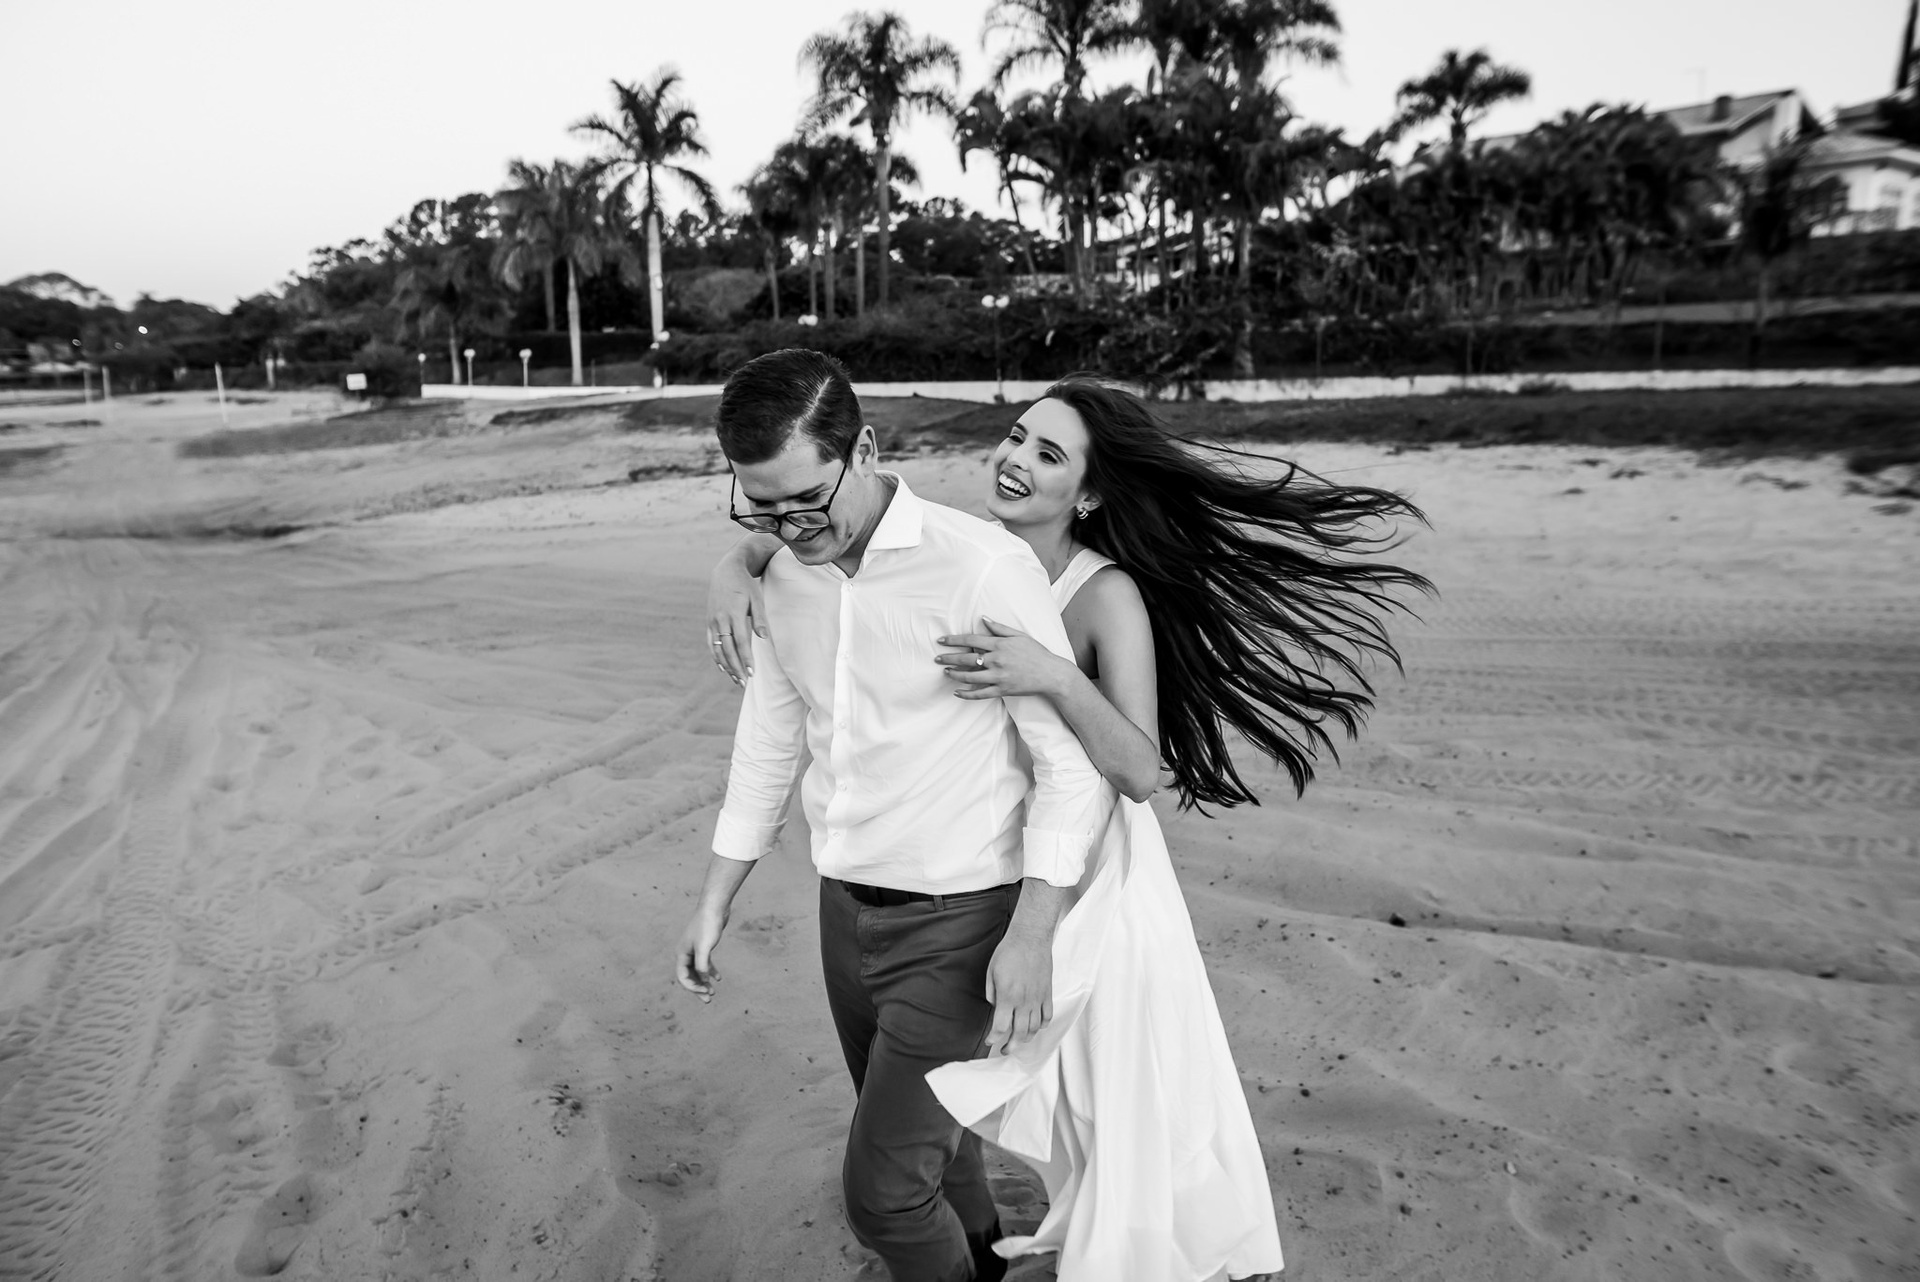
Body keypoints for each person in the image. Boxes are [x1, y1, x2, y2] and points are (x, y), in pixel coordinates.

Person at [708, 374, 1431, 1281]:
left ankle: (1149, 1245)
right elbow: (823, 534)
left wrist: (1051, 674)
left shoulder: (1100, 593)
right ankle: (979, 1240)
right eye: (1017, 436)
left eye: (1049, 454)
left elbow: (1136, 771)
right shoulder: (968, 553)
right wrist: (737, 562)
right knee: (961, 1095)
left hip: (1085, 876)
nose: (1014, 460)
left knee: (1117, 1094)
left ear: (1087, 493)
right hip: (991, 856)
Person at [675, 349, 1109, 1282]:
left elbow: (1070, 767)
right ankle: (986, 1262)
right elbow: (769, 744)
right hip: (843, 915)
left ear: (865, 450)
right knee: (937, 1153)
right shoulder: (783, 574)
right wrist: (715, 899)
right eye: (761, 509)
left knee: (882, 1194)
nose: (790, 529)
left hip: (961, 927)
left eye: (807, 500)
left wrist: (1033, 931)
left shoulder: (981, 568)